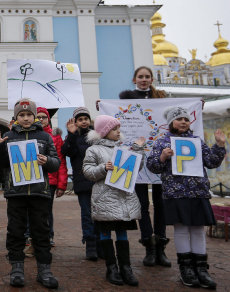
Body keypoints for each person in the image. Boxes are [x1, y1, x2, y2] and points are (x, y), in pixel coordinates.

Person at [147, 107, 226, 289]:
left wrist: (220, 145)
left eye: (186, 119)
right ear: (171, 123)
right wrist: (162, 157)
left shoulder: (197, 141)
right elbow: (152, 166)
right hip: (176, 193)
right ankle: (186, 269)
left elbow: (211, 161)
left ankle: (201, 269)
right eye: (179, 119)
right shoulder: (162, 142)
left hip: (198, 191)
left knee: (198, 229)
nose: (183, 122)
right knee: (182, 229)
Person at [0, 98, 60, 289]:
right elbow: (3, 164)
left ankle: (44, 270)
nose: (26, 118)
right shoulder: (9, 135)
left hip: (40, 193)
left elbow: (56, 162)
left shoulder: (45, 137)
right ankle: (17, 269)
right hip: (16, 193)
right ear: (16, 117)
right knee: (15, 231)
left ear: (35, 116)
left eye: (29, 114)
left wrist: (47, 161)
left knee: (41, 232)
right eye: (22, 115)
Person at [119, 65, 171, 267]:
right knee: (142, 205)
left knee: (161, 204)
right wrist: (102, 104)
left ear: (151, 79)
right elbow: (119, 113)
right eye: (140, 77)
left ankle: (161, 247)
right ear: (134, 79)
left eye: (147, 76)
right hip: (138, 158)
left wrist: (195, 105)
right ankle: (149, 245)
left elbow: (175, 113)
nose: (144, 79)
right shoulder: (126, 96)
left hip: (160, 158)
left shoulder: (161, 96)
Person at [83, 115, 142, 286]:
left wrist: (138, 151)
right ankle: (111, 268)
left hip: (123, 198)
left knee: (122, 232)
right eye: (114, 129)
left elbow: (136, 168)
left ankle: (126, 268)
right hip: (104, 198)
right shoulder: (93, 150)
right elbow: (88, 171)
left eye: (118, 129)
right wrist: (103, 168)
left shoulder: (123, 149)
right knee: (105, 232)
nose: (118, 132)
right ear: (104, 132)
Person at [61, 107, 98, 260]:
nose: (84, 122)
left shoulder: (97, 136)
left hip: (98, 180)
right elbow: (66, 151)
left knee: (100, 214)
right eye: (80, 119)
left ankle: (102, 243)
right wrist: (71, 134)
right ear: (75, 122)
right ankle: (90, 244)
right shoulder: (73, 137)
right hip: (82, 181)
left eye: (86, 119)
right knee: (87, 214)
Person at [37, 107, 67, 247]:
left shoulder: (55, 137)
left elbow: (60, 162)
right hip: (34, 178)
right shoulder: (30, 135)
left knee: (47, 210)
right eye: (39, 117)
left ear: (48, 119)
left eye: (44, 117)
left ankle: (48, 235)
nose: (41, 119)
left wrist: (62, 184)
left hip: (51, 180)